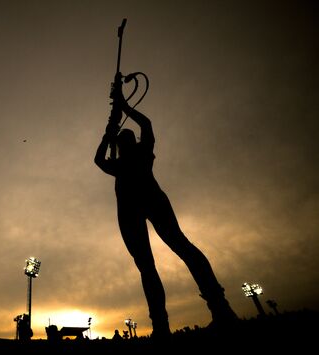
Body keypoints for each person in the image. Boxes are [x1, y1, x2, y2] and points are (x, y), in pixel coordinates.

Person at [94, 74, 238, 339]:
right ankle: (179, 320)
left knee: (172, 252)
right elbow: (99, 159)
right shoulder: (128, 159)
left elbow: (133, 132)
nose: (125, 141)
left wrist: (120, 113)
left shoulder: (136, 155)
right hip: (137, 207)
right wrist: (114, 124)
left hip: (144, 203)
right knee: (155, 261)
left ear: (129, 143)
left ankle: (214, 310)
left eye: (125, 139)